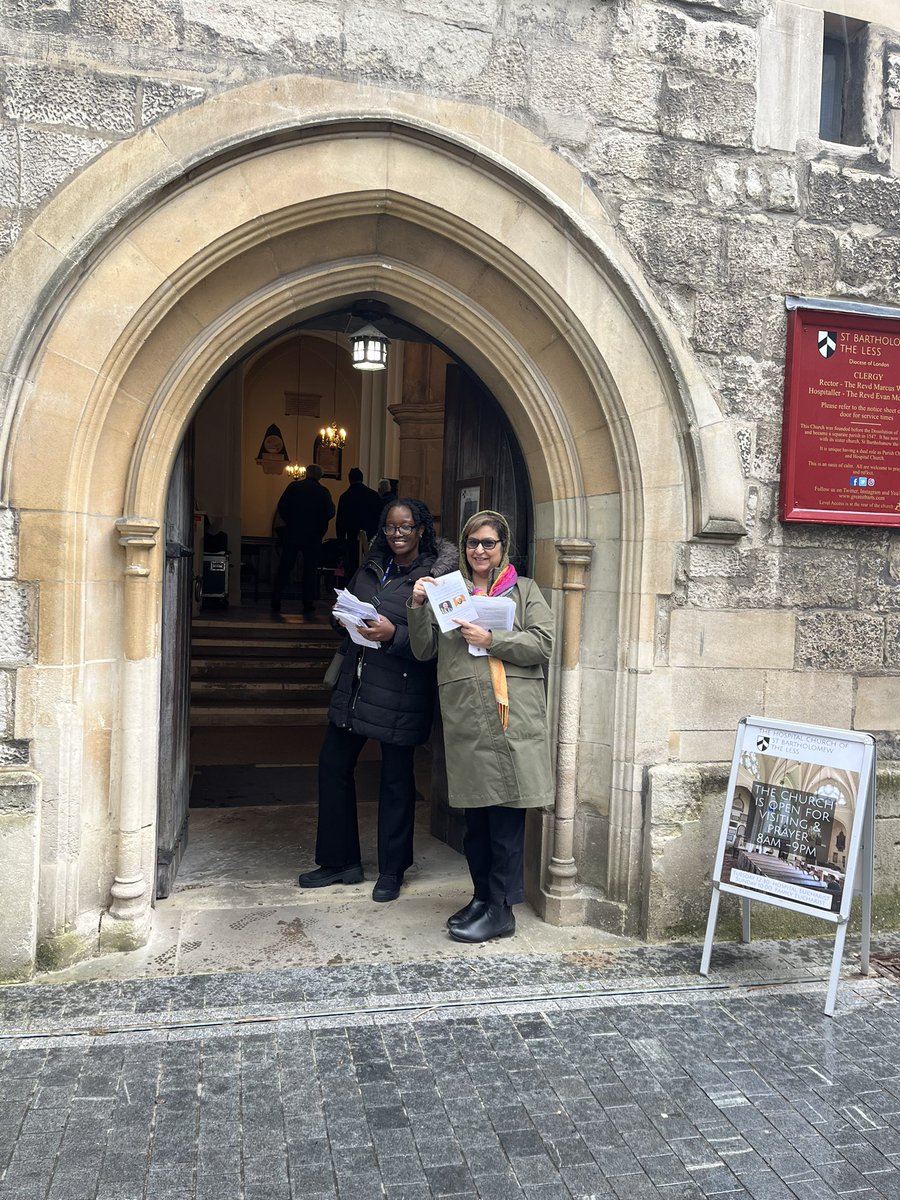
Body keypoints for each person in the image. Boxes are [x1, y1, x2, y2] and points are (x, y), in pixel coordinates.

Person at [299, 499, 456, 902]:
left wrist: (394, 635)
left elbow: (443, 642)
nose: (397, 534)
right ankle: (340, 861)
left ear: (421, 529)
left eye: (405, 527)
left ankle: (392, 870)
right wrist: (341, 618)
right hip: (356, 685)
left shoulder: (437, 577)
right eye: (390, 527)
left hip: (402, 691)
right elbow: (348, 605)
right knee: (332, 765)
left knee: (396, 782)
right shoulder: (370, 566)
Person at [409, 510, 554, 943]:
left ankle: (502, 909)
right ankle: (481, 898)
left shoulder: (524, 591)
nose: (479, 551)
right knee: (477, 822)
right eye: (472, 543)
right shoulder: (447, 592)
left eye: (488, 543)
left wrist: (494, 640)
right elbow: (422, 650)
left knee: (506, 820)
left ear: (502, 546)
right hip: (468, 717)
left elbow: (544, 643)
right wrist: (417, 605)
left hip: (513, 719)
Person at [271, 463, 335, 613]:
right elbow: (330, 512)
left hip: (293, 533)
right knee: (310, 571)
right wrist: (319, 525)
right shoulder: (322, 491)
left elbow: (282, 506)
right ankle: (308, 603)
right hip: (313, 537)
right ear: (320, 476)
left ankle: (276, 598)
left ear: (306, 474)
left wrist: (291, 521)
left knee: (285, 568)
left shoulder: (294, 487)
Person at [336, 468, 382, 576]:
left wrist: (341, 542)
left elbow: (340, 522)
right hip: (371, 537)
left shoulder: (345, 497)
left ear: (349, 479)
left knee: (352, 567)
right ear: (362, 478)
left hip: (351, 537)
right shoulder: (373, 495)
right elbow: (380, 517)